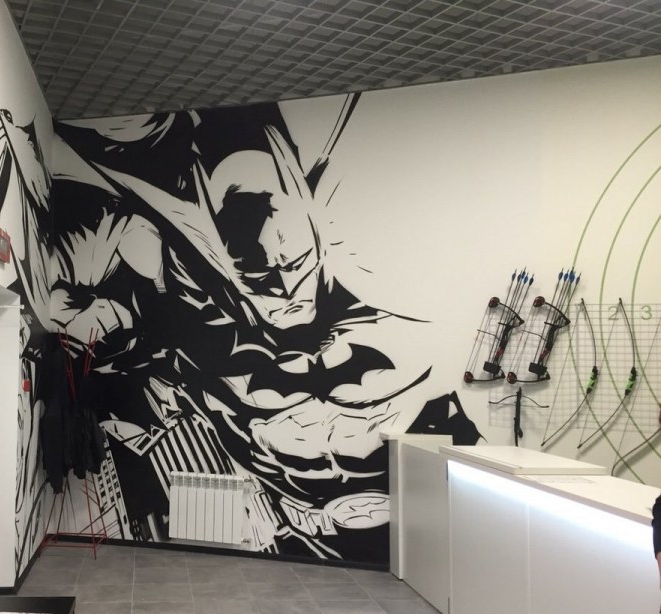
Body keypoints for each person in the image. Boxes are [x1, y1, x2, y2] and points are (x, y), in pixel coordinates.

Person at [48, 101, 481, 561]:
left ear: (319, 237)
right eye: (260, 278)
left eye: (296, 264)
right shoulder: (194, 338)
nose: (286, 289)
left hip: (419, 541)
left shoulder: (407, 324)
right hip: (293, 539)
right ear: (223, 263)